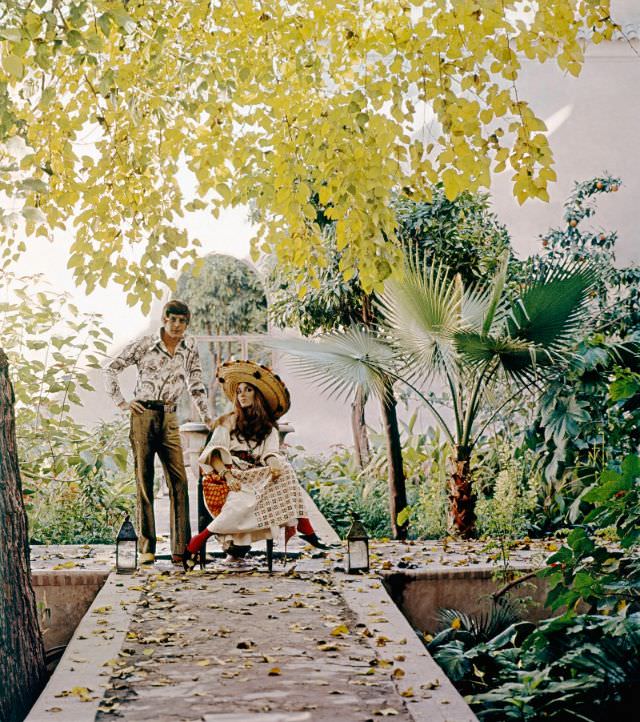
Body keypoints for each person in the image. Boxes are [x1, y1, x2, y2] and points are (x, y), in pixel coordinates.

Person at [183, 360, 330, 570]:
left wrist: (274, 464)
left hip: (256, 474)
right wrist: (228, 475)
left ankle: (303, 524)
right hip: (230, 474)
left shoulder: (269, 428)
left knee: (284, 468)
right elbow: (214, 453)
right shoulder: (228, 421)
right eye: (239, 391)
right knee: (242, 500)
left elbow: (271, 453)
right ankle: (304, 526)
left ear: (257, 395)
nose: (242, 395)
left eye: (248, 390)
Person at [104, 300, 213, 565]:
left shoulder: (189, 348)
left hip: (170, 415)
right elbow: (111, 368)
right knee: (145, 479)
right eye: (172, 319)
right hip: (143, 415)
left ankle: (181, 548)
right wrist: (122, 402)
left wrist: (208, 418)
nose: (177, 325)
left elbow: (196, 383)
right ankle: (147, 548)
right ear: (164, 319)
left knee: (180, 480)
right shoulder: (145, 344)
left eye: (182, 321)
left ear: (187, 323)